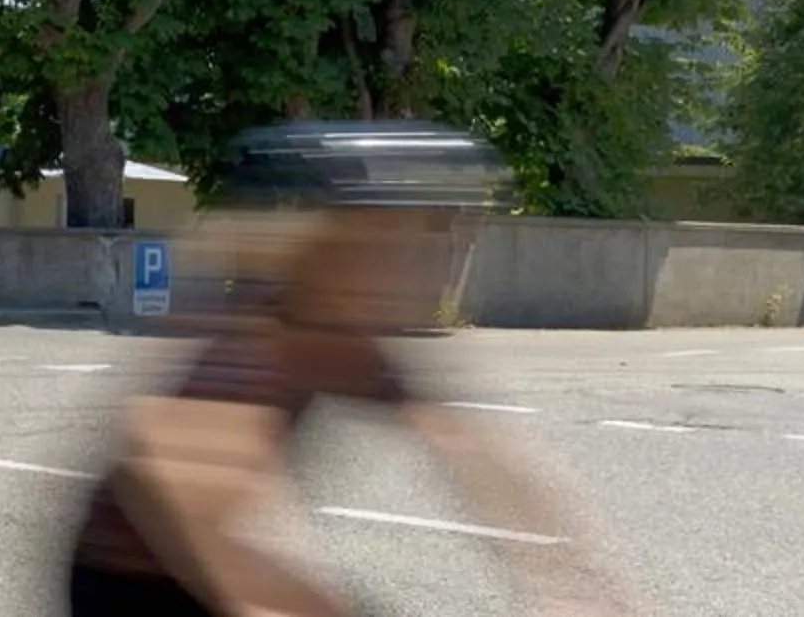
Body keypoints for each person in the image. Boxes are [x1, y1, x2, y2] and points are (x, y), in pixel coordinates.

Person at [68, 121, 635, 617]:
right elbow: (204, 539)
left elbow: (471, 451)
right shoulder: (244, 359)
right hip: (131, 582)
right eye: (396, 243)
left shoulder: (345, 337)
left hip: (210, 555)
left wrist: (574, 582)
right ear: (320, 248)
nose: (422, 267)